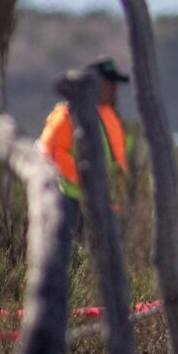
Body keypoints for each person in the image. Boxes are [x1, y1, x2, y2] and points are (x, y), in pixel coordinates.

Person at [38, 57, 131, 247]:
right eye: (109, 83)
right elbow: (52, 153)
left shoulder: (109, 114)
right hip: (74, 204)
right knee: (75, 262)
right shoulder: (67, 115)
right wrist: (88, 179)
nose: (114, 88)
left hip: (105, 206)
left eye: (115, 83)